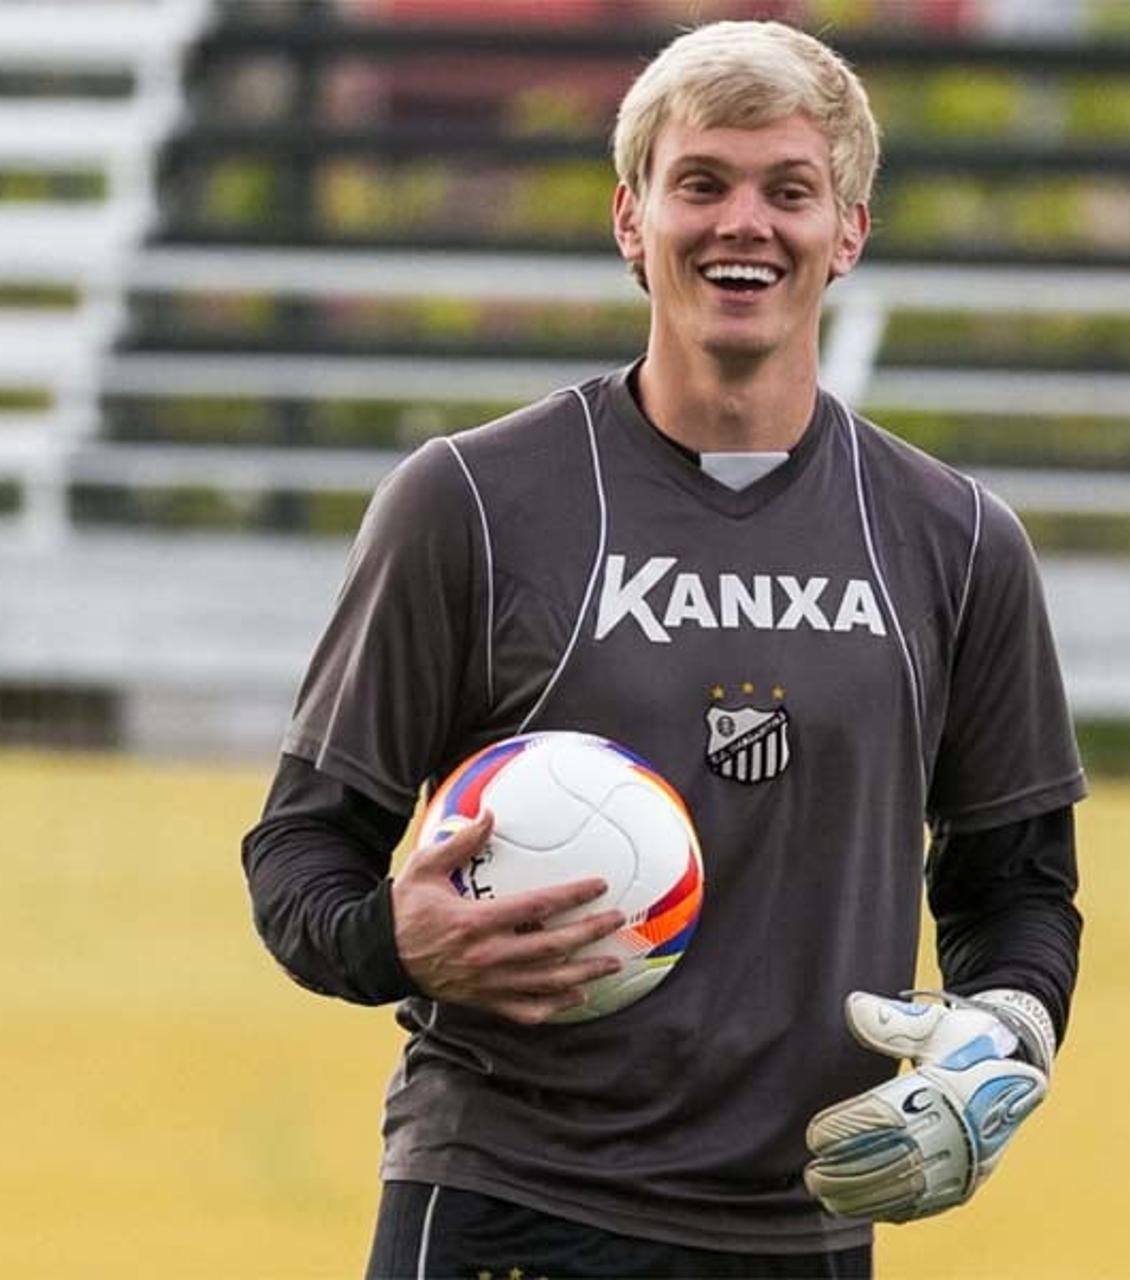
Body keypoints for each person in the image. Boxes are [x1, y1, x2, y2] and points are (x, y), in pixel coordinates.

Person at [241, 19, 1085, 1279]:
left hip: (801, 1226)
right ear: (631, 219)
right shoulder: (469, 502)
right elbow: (301, 847)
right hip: (504, 1202)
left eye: (789, 189)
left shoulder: (958, 541)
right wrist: (392, 941)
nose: (743, 221)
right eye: (701, 183)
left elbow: (1016, 886)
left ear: (848, 229)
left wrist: (1006, 1040)